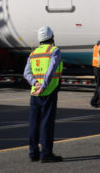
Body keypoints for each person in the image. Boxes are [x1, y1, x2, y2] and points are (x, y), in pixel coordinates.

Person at [25, 26, 64, 163]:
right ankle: (46, 154)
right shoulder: (54, 51)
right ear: (52, 37)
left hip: (34, 93)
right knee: (47, 123)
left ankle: (33, 153)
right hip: (48, 92)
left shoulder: (33, 53)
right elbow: (51, 69)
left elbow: (26, 73)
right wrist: (44, 85)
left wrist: (35, 83)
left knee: (34, 124)